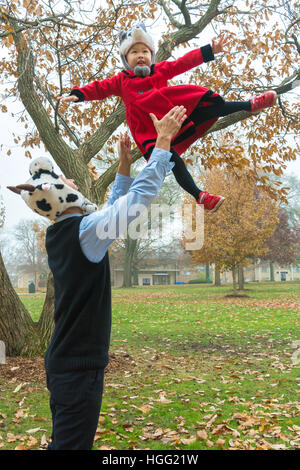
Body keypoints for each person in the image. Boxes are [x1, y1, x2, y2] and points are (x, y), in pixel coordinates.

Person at [7, 106, 187, 450]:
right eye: (68, 182)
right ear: (59, 194)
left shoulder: (67, 232)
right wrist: (162, 142)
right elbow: (136, 201)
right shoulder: (84, 232)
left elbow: (112, 213)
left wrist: (123, 166)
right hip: (76, 370)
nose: (74, 182)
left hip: (65, 364)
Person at [57, 23, 277, 214]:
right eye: (134, 52)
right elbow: (99, 88)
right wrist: (78, 94)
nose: (141, 55)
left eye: (145, 51)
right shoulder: (122, 80)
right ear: (126, 59)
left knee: (210, 104)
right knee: (171, 160)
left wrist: (210, 50)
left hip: (171, 119)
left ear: (152, 56)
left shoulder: (159, 71)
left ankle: (250, 105)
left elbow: (182, 63)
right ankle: (199, 196)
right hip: (148, 130)